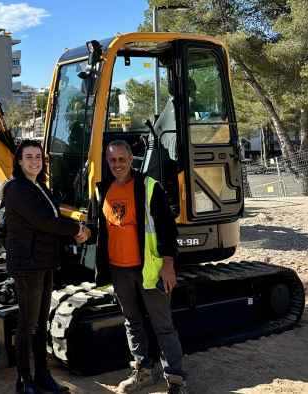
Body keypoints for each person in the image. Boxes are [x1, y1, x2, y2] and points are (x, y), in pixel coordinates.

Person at [80, 139, 186, 394]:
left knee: (164, 326)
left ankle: (175, 378)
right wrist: (85, 234)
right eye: (113, 160)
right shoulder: (101, 190)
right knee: (132, 322)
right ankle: (143, 372)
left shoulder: (149, 187)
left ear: (130, 160)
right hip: (118, 269)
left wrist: (168, 265)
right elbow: (97, 229)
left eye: (122, 159)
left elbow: (167, 229)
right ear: (107, 161)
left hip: (149, 268)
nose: (117, 164)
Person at [4, 139, 89, 394]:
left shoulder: (39, 186)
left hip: (43, 261)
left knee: (40, 324)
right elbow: (43, 222)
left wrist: (80, 225)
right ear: (19, 161)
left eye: (38, 157)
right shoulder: (17, 189)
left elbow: (53, 217)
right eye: (29, 157)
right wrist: (77, 230)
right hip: (27, 263)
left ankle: (43, 375)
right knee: (27, 325)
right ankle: (24, 380)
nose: (34, 161)